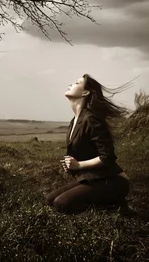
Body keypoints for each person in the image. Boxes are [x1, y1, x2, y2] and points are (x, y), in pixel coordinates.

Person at [46, 74, 130, 214]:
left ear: (85, 92)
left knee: (61, 204)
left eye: (76, 82)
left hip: (114, 181)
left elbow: (107, 157)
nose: (71, 83)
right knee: (50, 200)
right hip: (94, 179)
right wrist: (72, 165)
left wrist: (79, 165)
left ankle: (114, 206)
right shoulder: (74, 121)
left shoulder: (92, 118)